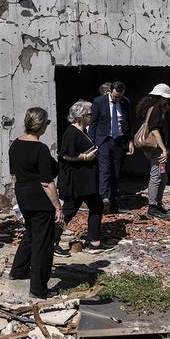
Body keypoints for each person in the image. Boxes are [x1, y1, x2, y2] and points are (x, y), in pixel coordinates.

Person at [9, 107, 63, 299]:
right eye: (47, 123)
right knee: (43, 243)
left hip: (23, 195)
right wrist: (58, 207)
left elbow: (14, 175)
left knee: (31, 233)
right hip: (40, 198)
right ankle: (38, 288)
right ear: (41, 125)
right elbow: (47, 182)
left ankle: (18, 270)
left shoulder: (15, 145)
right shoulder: (40, 149)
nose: (47, 127)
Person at [56, 100, 109, 254]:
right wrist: (86, 157)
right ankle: (52, 240)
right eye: (89, 115)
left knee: (96, 206)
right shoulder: (71, 132)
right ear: (81, 116)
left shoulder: (82, 131)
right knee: (69, 211)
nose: (92, 117)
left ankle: (94, 242)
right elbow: (66, 155)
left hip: (86, 181)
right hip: (77, 181)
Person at [88, 81, 134, 214]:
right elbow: (93, 124)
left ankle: (113, 204)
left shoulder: (125, 102)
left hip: (118, 141)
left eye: (119, 96)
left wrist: (130, 140)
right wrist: (92, 143)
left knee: (116, 172)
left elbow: (128, 123)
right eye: (115, 96)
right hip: (103, 140)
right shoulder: (99, 102)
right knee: (105, 170)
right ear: (109, 91)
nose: (116, 99)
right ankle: (104, 199)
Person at [135, 84, 170, 219]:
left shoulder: (152, 109)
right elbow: (155, 131)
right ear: (161, 97)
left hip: (155, 149)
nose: (167, 102)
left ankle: (157, 204)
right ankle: (153, 207)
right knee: (157, 176)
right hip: (156, 149)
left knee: (163, 176)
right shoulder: (155, 109)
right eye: (166, 99)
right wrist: (164, 149)